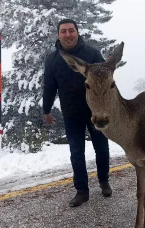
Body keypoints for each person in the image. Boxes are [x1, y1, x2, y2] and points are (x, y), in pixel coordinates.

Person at [42, 19, 112, 207]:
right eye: (63, 31)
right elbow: (49, 86)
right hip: (71, 113)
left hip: (95, 112)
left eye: (71, 31)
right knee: (76, 152)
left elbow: (107, 80)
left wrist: (109, 105)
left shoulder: (92, 53)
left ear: (77, 33)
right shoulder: (52, 60)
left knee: (102, 149)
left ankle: (104, 181)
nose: (68, 35)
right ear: (58, 35)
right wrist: (46, 109)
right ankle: (81, 191)